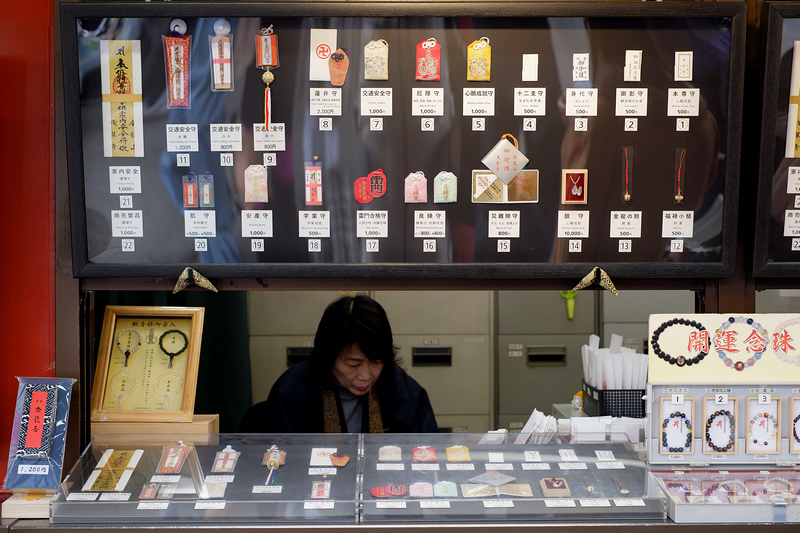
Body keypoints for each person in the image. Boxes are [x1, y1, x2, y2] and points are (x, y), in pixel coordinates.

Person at [240, 294, 438, 433]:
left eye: (376, 362)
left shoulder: (403, 391)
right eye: (353, 364)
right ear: (328, 356)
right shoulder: (291, 391)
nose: (366, 376)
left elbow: (425, 454)